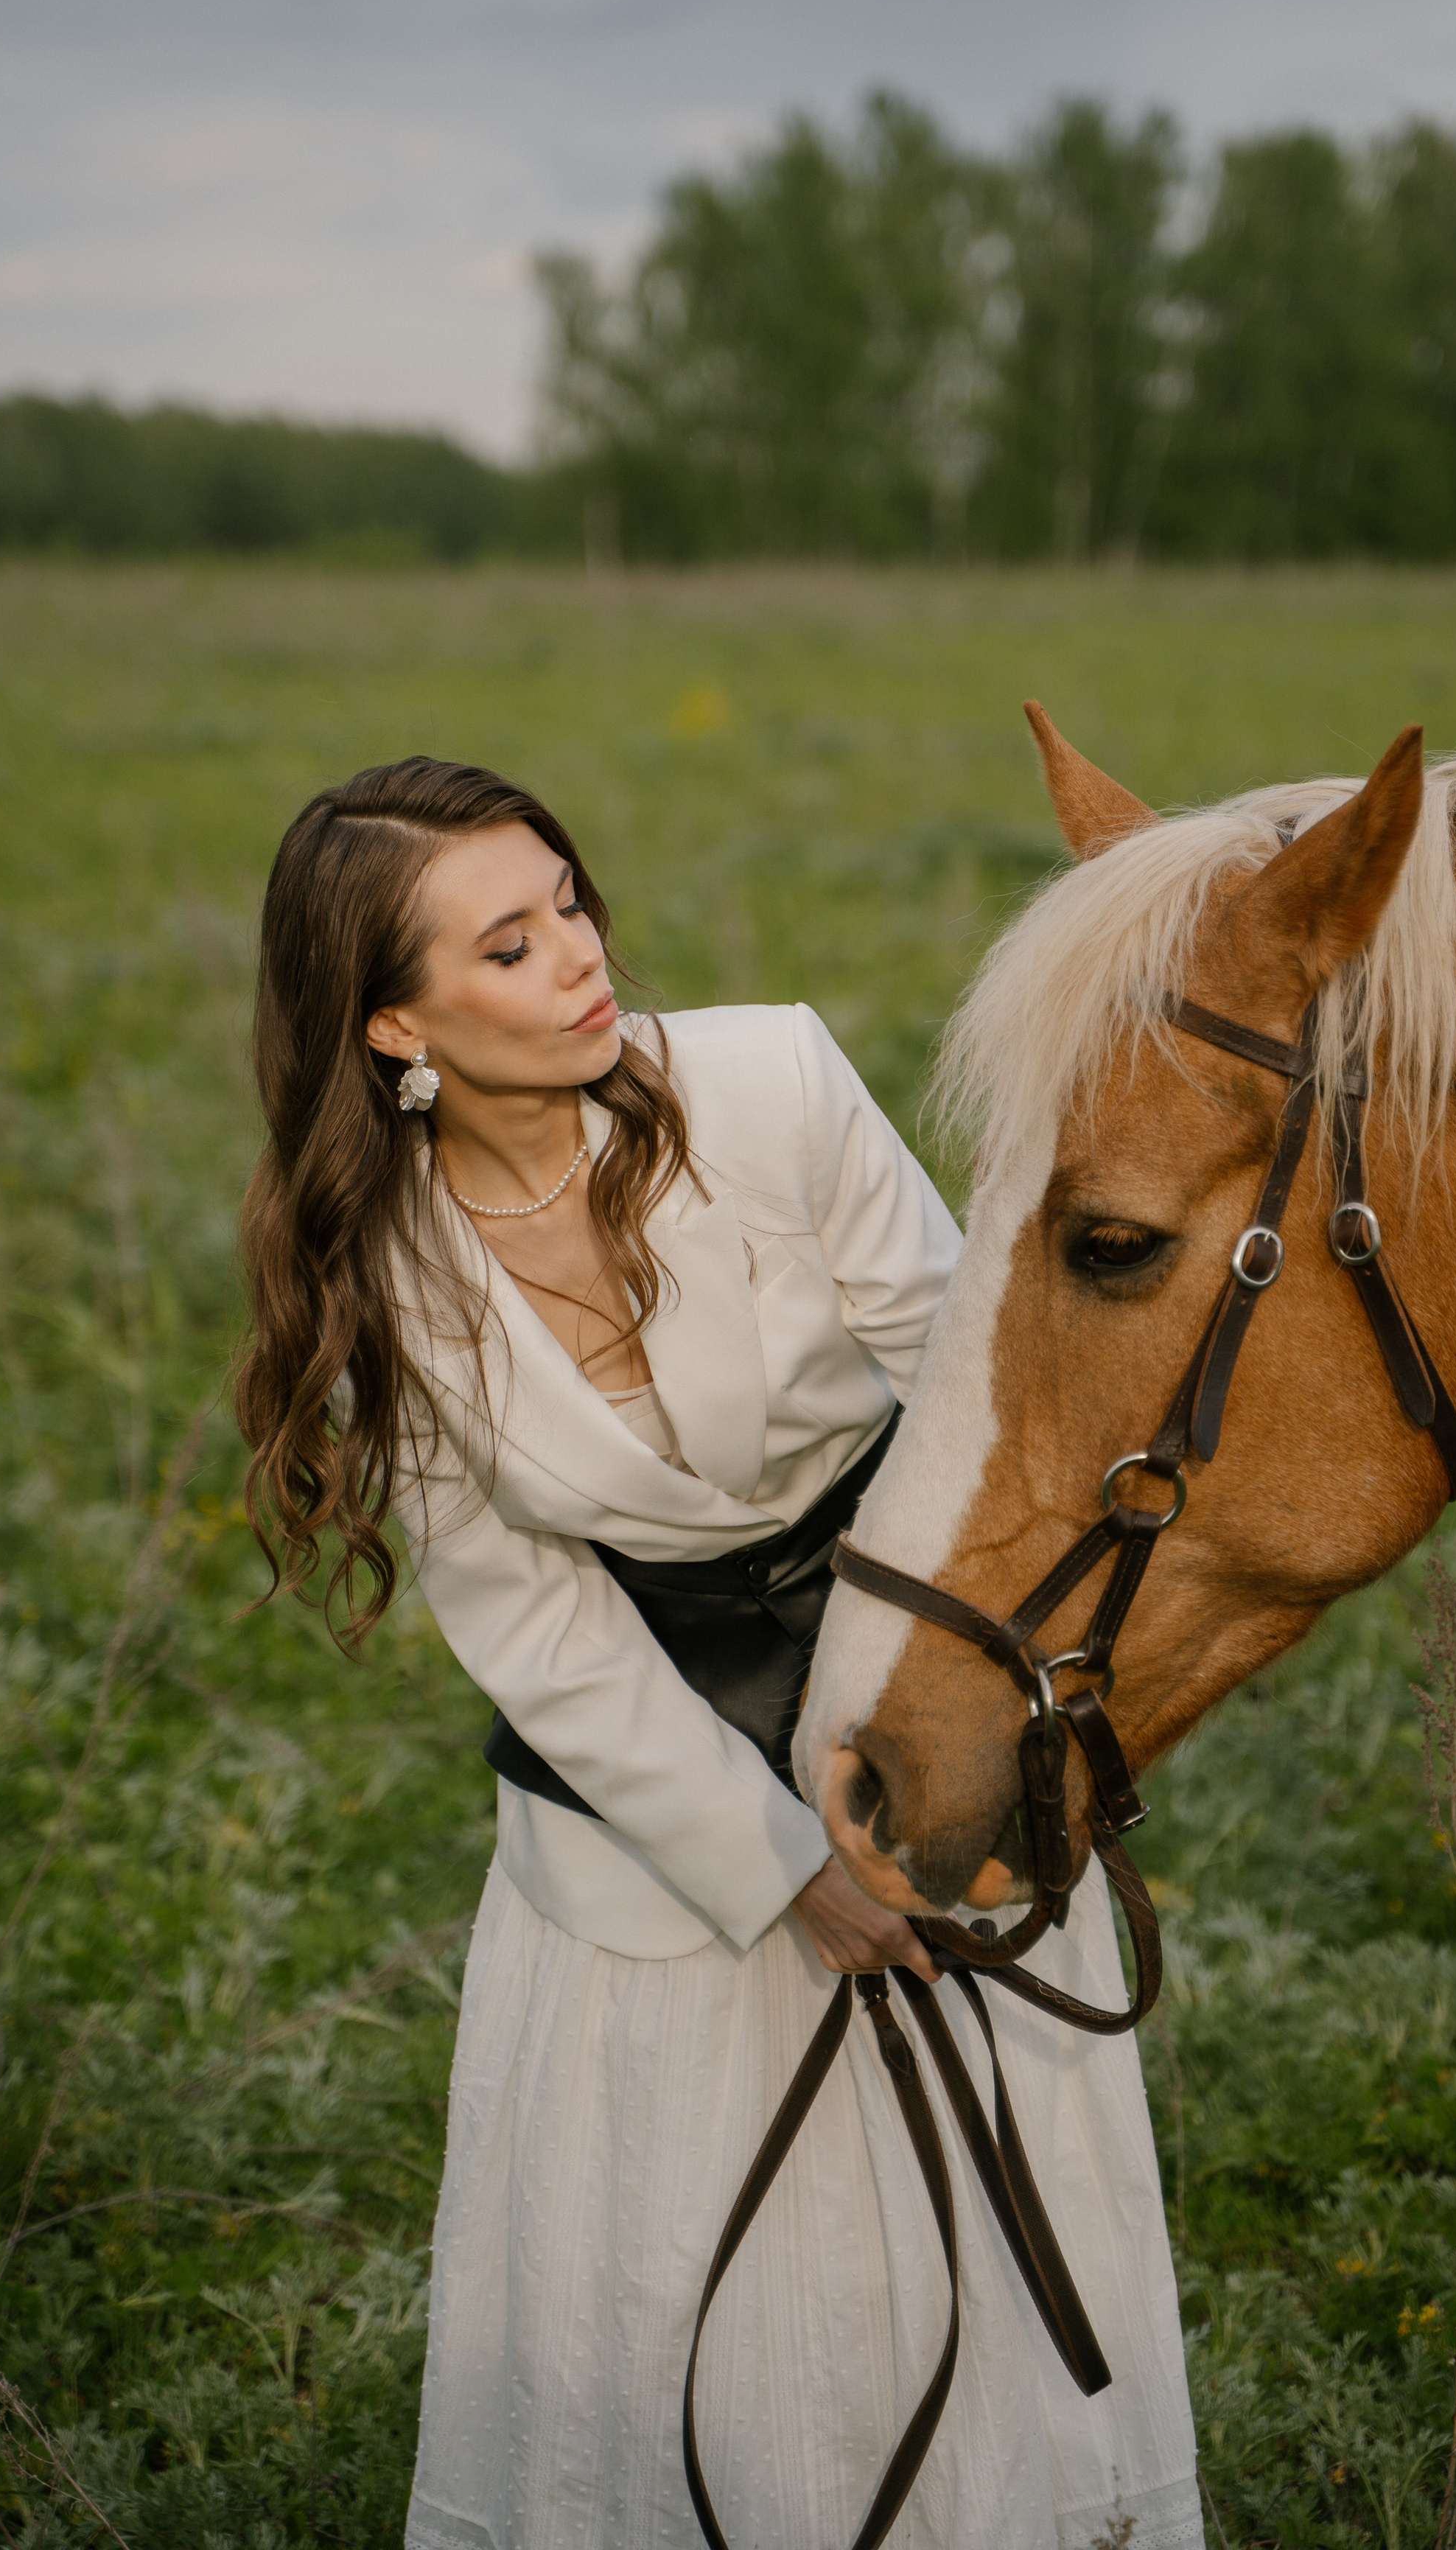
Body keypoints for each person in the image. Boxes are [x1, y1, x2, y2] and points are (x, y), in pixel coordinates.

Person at [235, 755, 1202, 2550]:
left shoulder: (763, 1080)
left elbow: (966, 1395)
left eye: (571, 905)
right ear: (394, 1026)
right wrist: (776, 1876)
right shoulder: (380, 1268)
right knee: (683, 2306)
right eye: (509, 947)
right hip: (650, 1846)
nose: (581, 959)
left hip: (921, 1719)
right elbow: (537, 1625)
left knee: (961, 2271)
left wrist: (948, 1740)